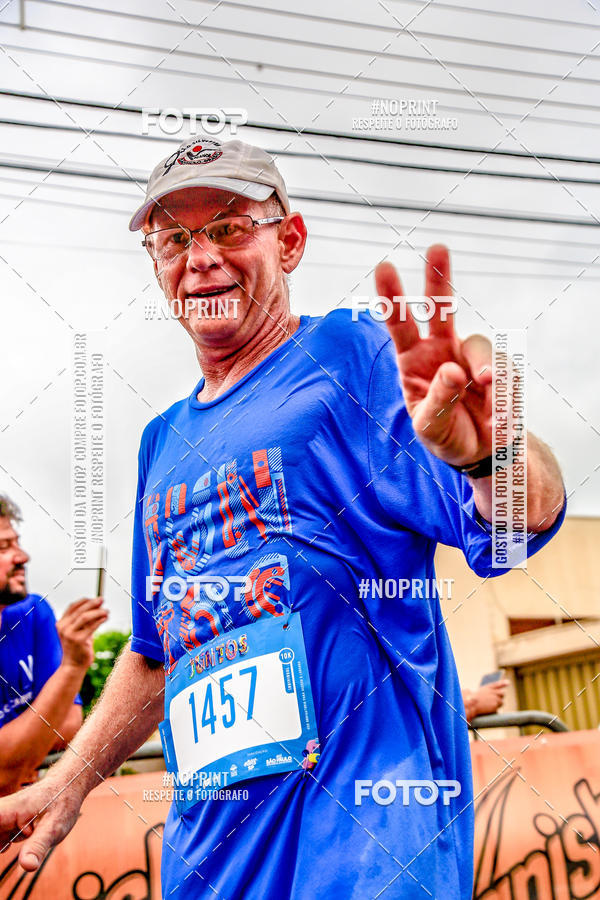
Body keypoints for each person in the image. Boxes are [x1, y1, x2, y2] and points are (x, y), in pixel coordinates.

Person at [0, 136, 566, 899]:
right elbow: (155, 653)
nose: (200, 257)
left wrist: (489, 456)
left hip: (364, 849)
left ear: (289, 241)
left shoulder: (350, 356)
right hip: (210, 862)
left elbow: (515, 525)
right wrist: (68, 785)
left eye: (230, 227)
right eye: (174, 238)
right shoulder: (160, 441)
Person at [0, 495, 107, 795]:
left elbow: (71, 724)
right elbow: (3, 771)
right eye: (3, 548)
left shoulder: (33, 614)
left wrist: (17, 747)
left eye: (16, 542)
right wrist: (69, 669)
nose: (22, 556)